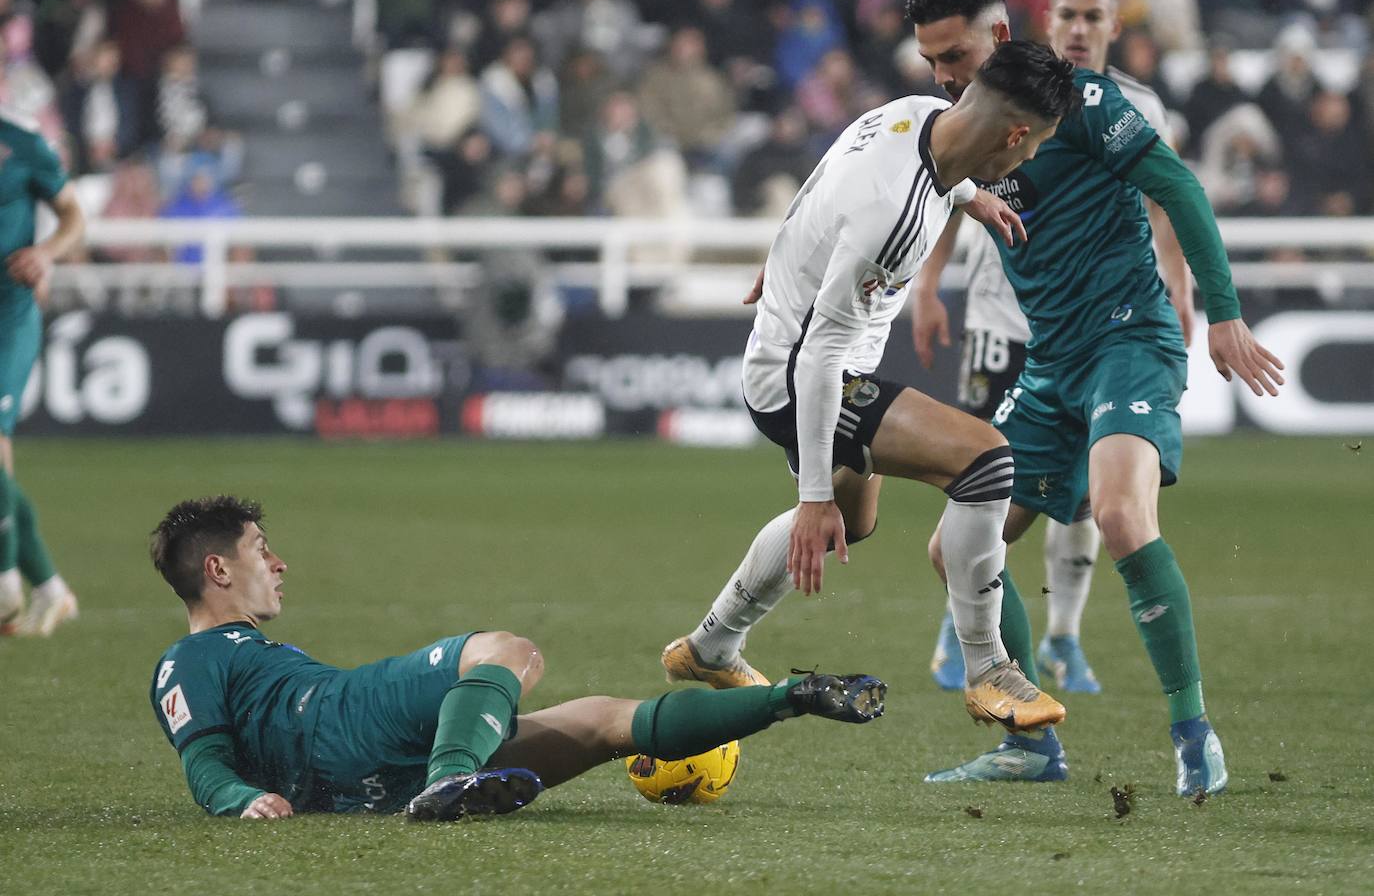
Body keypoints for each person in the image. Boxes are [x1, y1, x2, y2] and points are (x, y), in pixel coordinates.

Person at [905, 0, 1283, 795]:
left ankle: (1194, 735)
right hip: (1051, 362)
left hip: (1129, 338)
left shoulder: (1076, 100)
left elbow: (1177, 186)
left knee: (1118, 512)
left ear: (998, 36)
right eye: (930, 59)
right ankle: (1029, 740)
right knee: (954, 544)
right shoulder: (947, 119)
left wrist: (1220, 309)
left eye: (954, 54)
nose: (941, 74)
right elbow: (923, 195)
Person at [661, 41, 1080, 742]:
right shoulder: (895, 217)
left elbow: (822, 182)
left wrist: (973, 199)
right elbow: (823, 355)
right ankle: (988, 669)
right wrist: (813, 496)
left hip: (793, 352)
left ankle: (708, 649)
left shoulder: (913, 115)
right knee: (986, 463)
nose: (1032, 159)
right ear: (1014, 133)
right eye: (1036, 144)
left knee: (851, 526)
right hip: (804, 375)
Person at [149, 496, 886, 821]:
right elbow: (202, 759)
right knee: (506, 650)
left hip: (362, 781)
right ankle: (450, 778)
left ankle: (792, 697)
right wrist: (236, 800)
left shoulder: (249, 656)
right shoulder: (191, 660)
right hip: (344, 716)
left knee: (601, 723)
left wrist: (256, 797)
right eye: (259, 551)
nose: (278, 563)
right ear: (216, 570)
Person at [917, 0, 1195, 699]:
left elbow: (1162, 200)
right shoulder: (976, 100)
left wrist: (1180, 283)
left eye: (1091, 17)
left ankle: (1063, 636)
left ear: (1113, 25)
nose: (1076, 28)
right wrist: (927, 281)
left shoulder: (1132, 106)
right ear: (1049, 22)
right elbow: (948, 188)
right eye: (1065, 15)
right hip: (999, 316)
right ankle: (972, 627)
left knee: (1083, 497)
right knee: (981, 490)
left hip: (1093, 327)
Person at [0, 109, 85, 636]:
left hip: (9, 319)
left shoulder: (24, 144)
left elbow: (74, 215)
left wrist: (47, 253)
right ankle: (52, 591)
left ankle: (6, 584)